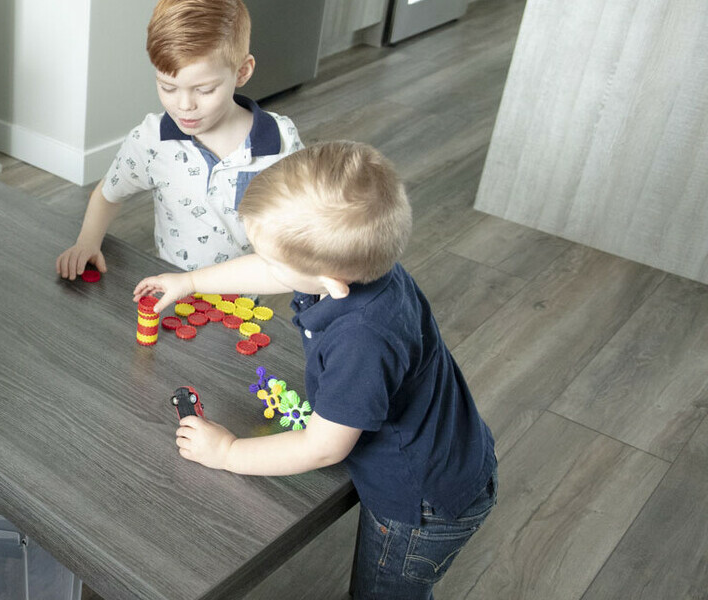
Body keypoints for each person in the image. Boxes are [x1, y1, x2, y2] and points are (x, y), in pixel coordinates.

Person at [133, 141, 497, 599]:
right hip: (453, 450)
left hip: (419, 504)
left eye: (271, 258)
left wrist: (226, 451)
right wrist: (189, 282)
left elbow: (322, 448)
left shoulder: (362, 340)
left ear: (330, 284)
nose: (266, 265)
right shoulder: (363, 270)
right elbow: (278, 273)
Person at [56, 0, 303, 280]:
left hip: (244, 303)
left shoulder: (280, 141)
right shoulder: (151, 140)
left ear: (242, 72)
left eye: (205, 90)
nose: (184, 105)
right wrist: (87, 242)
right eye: (168, 87)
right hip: (172, 290)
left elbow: (309, 219)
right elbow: (107, 194)